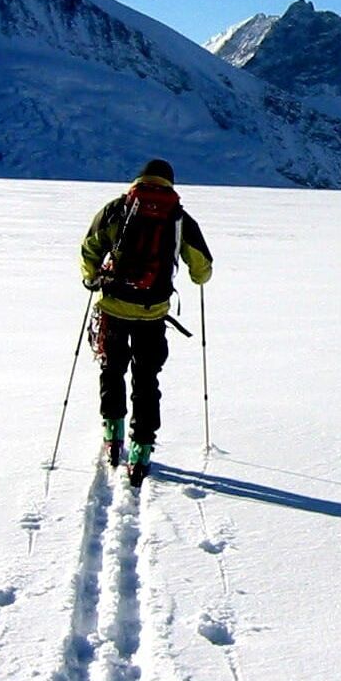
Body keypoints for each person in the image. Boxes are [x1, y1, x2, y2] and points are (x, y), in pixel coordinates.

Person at [80, 159, 213, 485]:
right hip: (152, 313)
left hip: (113, 307)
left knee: (111, 370)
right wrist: (197, 275)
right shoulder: (178, 217)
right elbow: (202, 269)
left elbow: (90, 249)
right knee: (146, 378)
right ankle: (141, 449)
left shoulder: (117, 209)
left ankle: (113, 435)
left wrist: (92, 278)